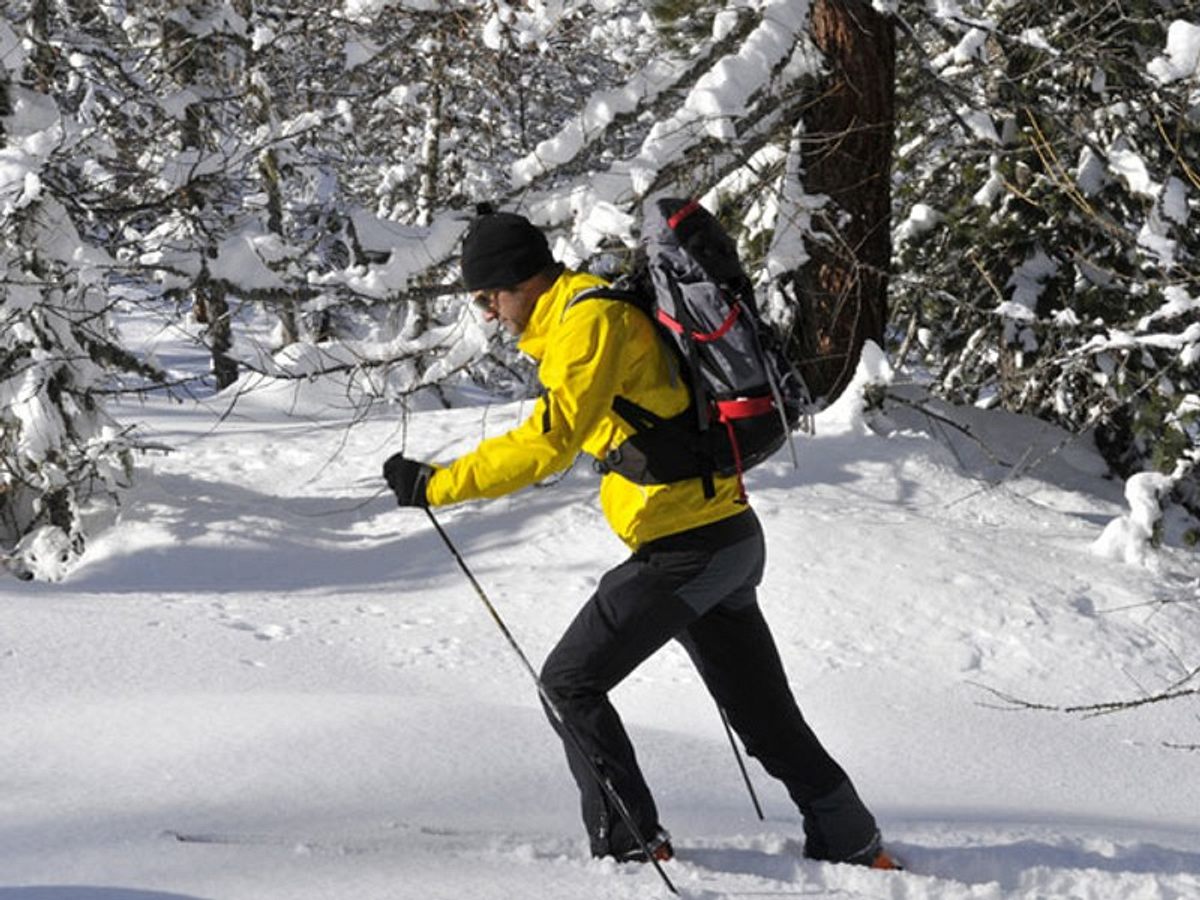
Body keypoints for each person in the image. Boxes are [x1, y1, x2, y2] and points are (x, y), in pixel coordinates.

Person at [383, 208, 898, 869]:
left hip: (691, 546)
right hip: (720, 539)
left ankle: (630, 845)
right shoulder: (584, 317)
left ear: (521, 280)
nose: (487, 313)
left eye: (488, 296)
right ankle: (851, 840)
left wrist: (438, 484)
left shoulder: (589, 323)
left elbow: (549, 443)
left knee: (569, 683)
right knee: (766, 718)